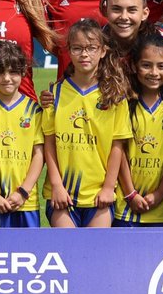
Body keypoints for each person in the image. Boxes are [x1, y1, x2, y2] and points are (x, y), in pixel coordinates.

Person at [42, 19, 132, 228]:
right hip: (63, 195)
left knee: (95, 254)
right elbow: (49, 144)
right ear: (69, 52)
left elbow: (117, 146)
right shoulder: (54, 94)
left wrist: (109, 187)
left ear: (102, 51)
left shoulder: (114, 96)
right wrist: (56, 185)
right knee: (68, 253)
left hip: (99, 194)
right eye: (78, 48)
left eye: (91, 48)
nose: (84, 54)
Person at [0, 41, 44, 229]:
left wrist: (23, 192)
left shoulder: (34, 111)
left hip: (25, 203)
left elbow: (39, 154)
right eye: (0, 71)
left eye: (13, 72)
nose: (7, 78)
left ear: (23, 72)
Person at [115, 33, 163, 228]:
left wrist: (159, 194)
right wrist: (130, 193)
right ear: (134, 66)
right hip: (125, 206)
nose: (154, 72)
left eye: (161, 66)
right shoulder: (123, 103)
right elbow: (119, 152)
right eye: (146, 65)